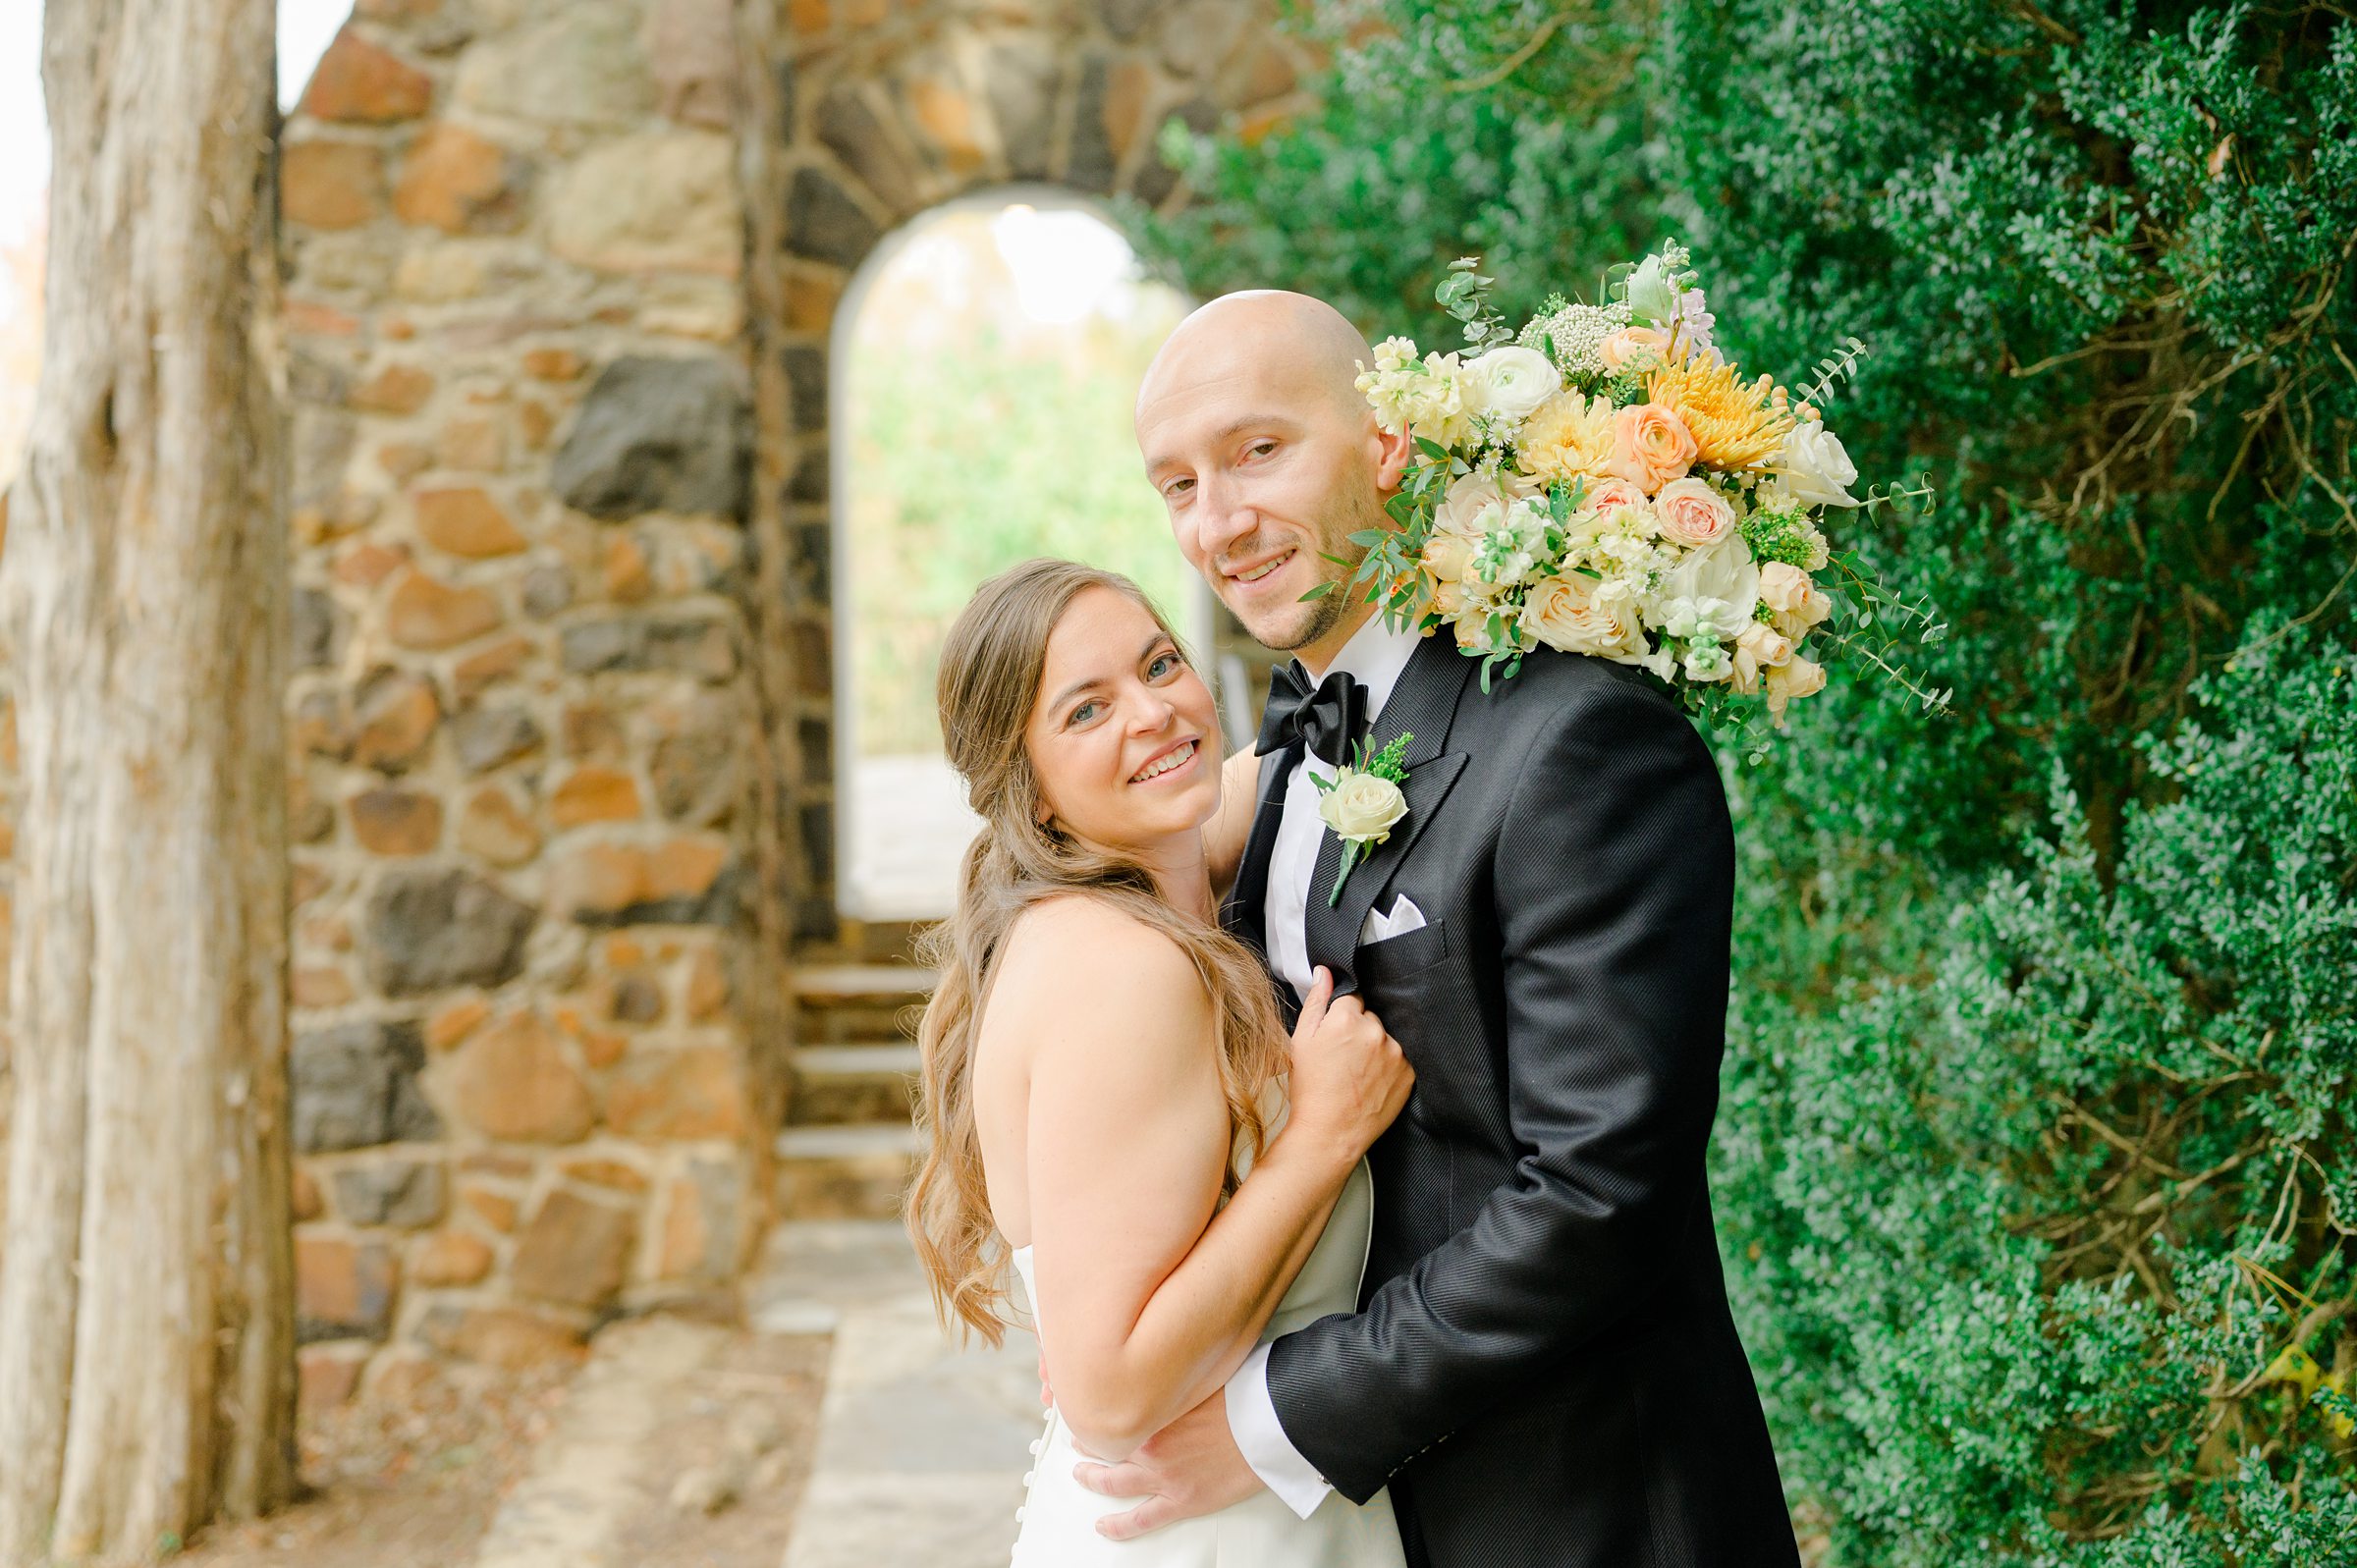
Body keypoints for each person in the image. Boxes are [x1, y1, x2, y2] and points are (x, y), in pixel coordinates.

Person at [1062, 292, 1803, 1568]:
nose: (1216, 523)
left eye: (1256, 452)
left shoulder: (1582, 744)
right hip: (1355, 1526)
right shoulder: (1279, 756)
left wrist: (1272, 1422)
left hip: (1576, 1510)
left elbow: (1596, 1200)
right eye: (1176, 484)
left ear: (1391, 444)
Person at [906, 557, 1418, 1566]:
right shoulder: (1125, 973)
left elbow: (1262, 770)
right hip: (1207, 1533)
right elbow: (1109, 1394)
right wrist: (1319, 1137)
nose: (1153, 712)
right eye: (1086, 710)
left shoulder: (1155, 892)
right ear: (1032, 792)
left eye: (1161, 663)